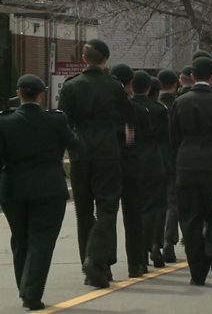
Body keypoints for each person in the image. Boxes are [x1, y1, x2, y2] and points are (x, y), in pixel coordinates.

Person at [0, 75, 82, 310]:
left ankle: (24, 287)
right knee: (42, 241)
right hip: (49, 188)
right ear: (42, 94)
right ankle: (31, 292)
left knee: (20, 239)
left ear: (18, 93)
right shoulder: (56, 121)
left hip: (13, 189)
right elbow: (75, 143)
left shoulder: (4, 122)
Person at [58, 39, 134, 288]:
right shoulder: (114, 87)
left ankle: (90, 264)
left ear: (84, 59)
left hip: (80, 152)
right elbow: (128, 117)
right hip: (107, 151)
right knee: (108, 208)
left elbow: (63, 122)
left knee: (83, 210)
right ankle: (98, 260)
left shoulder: (71, 86)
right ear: (105, 60)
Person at [170, 56, 212, 285]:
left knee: (189, 217)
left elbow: (173, 137)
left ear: (193, 76)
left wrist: (175, 165)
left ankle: (197, 271)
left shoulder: (180, 102)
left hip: (186, 163)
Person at [110, 64, 148, 279]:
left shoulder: (106, 106)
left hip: (109, 163)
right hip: (131, 164)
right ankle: (136, 262)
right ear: (130, 83)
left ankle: (105, 262)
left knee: (107, 213)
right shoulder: (134, 107)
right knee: (133, 215)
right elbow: (134, 138)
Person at [131, 72, 168, 269]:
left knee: (136, 208)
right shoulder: (159, 110)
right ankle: (153, 243)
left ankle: (139, 252)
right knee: (155, 207)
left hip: (134, 161)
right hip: (155, 161)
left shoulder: (129, 108)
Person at [157, 69, 180, 263]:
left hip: (155, 160)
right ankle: (168, 241)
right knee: (172, 203)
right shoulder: (177, 106)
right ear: (175, 85)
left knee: (156, 203)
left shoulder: (154, 106)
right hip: (174, 160)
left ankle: (153, 243)